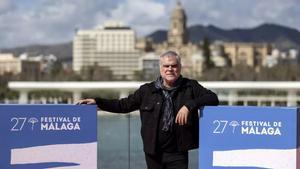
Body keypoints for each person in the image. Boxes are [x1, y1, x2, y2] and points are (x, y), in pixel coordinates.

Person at [77, 50, 219, 169]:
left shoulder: (190, 87)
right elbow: (123, 105)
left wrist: (189, 105)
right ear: (160, 68)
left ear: (180, 67)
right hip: (153, 153)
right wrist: (98, 102)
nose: (170, 69)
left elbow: (213, 98)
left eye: (174, 66)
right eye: (166, 66)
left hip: (178, 153)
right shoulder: (147, 90)